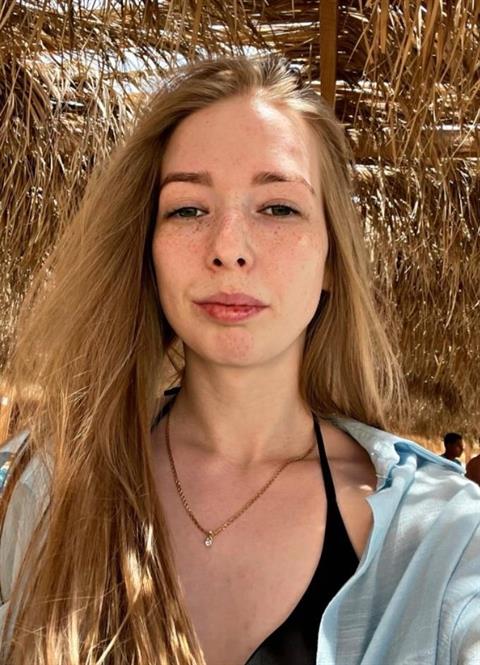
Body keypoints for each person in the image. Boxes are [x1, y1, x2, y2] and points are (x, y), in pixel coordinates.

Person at [0, 56, 479, 665]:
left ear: (331, 259)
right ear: (148, 251)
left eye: (278, 208)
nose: (228, 248)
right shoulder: (39, 490)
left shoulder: (443, 537)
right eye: (187, 209)